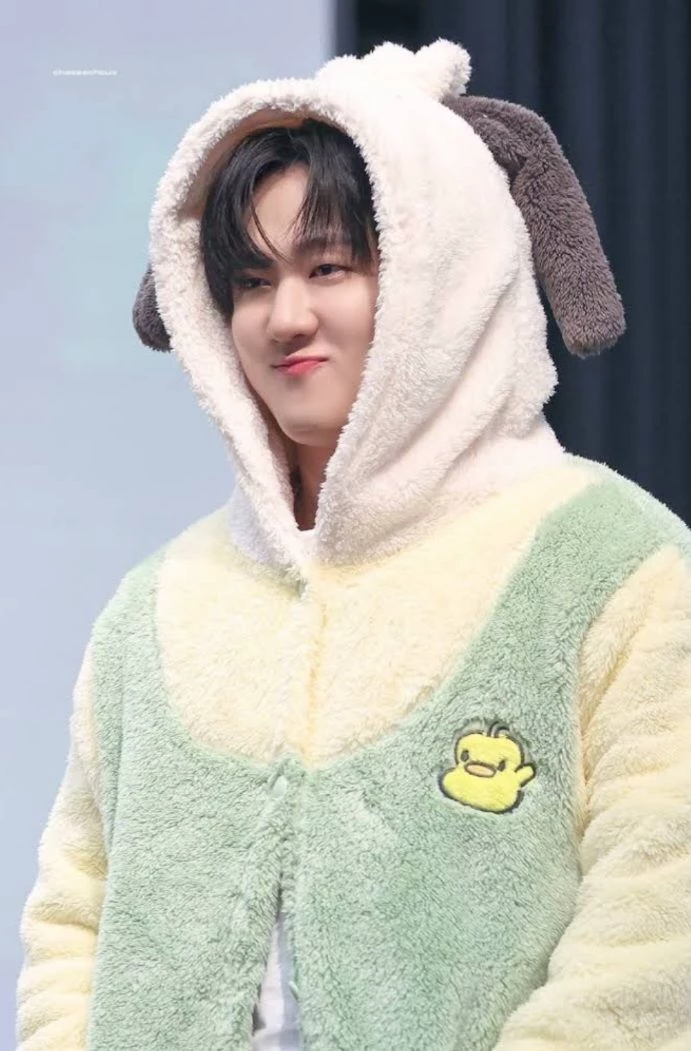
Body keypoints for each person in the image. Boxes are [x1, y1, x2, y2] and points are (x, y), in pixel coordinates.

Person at [16, 39, 691, 1051]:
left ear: (439, 271)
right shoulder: (157, 606)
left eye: (328, 267)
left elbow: (656, 928)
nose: (285, 317)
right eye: (251, 282)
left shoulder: (608, 564)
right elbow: (74, 918)